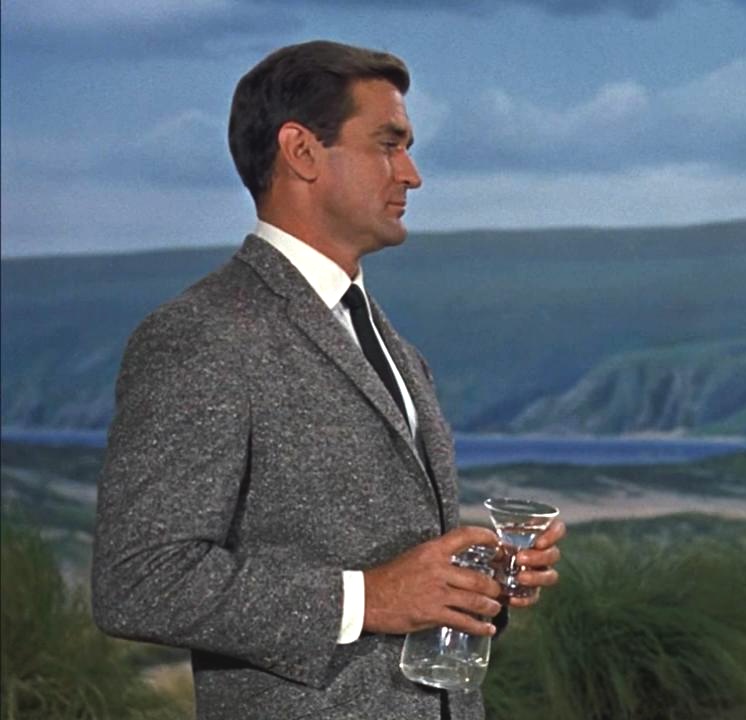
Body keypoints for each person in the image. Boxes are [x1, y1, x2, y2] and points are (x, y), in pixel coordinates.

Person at [92, 40, 565, 720]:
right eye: (388, 145)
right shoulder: (202, 334)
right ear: (302, 151)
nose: (412, 174)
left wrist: (474, 583)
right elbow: (138, 579)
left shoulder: (398, 350)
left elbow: (395, 573)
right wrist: (368, 598)